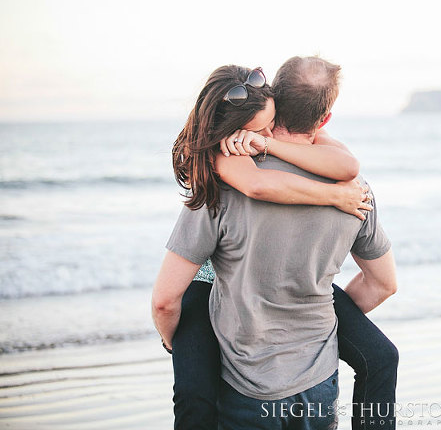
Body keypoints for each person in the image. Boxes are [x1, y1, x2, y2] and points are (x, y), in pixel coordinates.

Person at [152, 60, 398, 429]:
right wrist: (312, 324)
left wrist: (176, 342)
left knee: (195, 396)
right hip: (315, 378)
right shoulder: (354, 190)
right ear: (325, 118)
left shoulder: (223, 188)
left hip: (247, 382)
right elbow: (383, 284)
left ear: (277, 103)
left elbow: (163, 301)